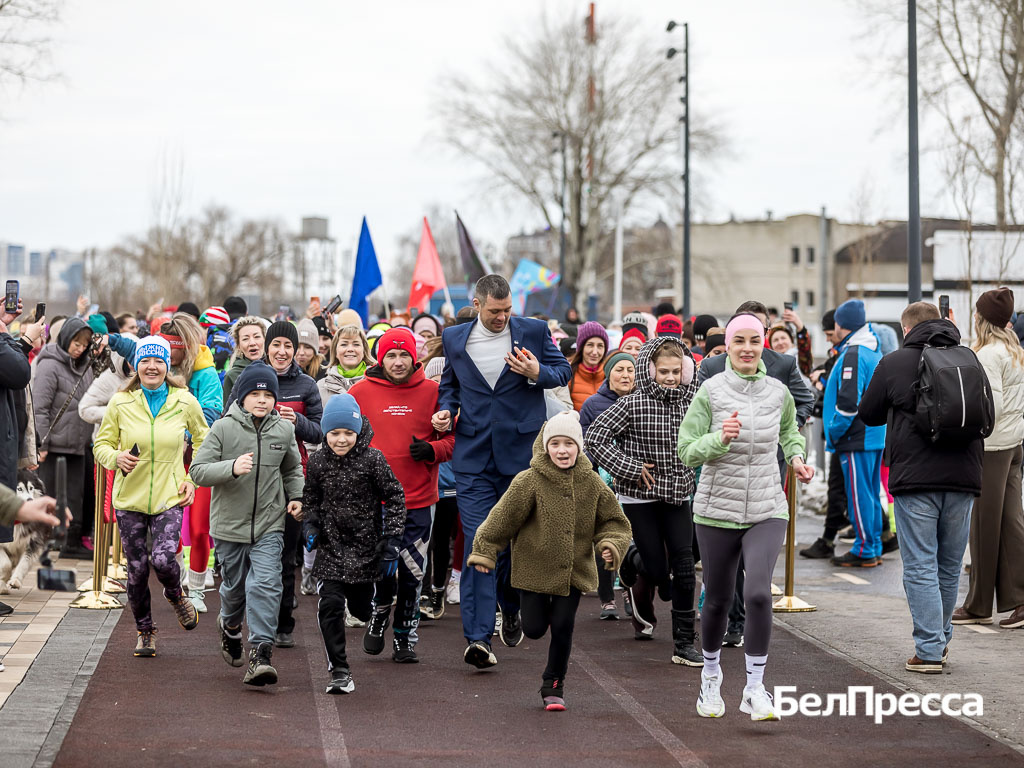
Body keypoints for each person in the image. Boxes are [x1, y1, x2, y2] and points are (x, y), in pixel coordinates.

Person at [678, 313, 814, 720]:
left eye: (755, 341)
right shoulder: (710, 391)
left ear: (763, 344)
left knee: (757, 594)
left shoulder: (778, 392)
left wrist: (797, 458)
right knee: (718, 599)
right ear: (728, 345)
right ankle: (711, 677)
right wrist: (719, 439)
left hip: (766, 507)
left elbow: (790, 432)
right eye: (739, 341)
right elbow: (687, 450)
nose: (747, 349)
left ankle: (755, 687)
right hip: (716, 510)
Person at [432, 274, 572, 669]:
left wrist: (536, 372)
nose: (502, 317)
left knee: (514, 542)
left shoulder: (534, 331)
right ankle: (478, 638)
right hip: (473, 457)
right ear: (477, 305)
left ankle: (510, 605)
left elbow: (563, 372)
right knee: (480, 540)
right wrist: (445, 410)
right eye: (495, 311)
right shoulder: (455, 338)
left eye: (508, 310)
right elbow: (450, 387)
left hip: (520, 457)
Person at [468, 411, 631, 711]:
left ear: (579, 447)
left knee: (563, 624)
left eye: (569, 444)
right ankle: (517, 612)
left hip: (573, 570)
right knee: (534, 629)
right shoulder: (528, 481)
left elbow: (614, 521)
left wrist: (610, 543)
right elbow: (502, 519)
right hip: (533, 569)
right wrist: (486, 549)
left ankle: (553, 684)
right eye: (555, 444)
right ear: (545, 447)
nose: (562, 450)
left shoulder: (592, 482)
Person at [858, 302, 986, 672]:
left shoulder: (895, 361)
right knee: (948, 565)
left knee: (919, 566)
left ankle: (929, 649)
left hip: (916, 478)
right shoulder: (968, 359)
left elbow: (868, 413)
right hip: (964, 477)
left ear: (906, 328)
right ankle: (939, 641)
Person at [586, 336, 702, 664]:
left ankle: (683, 644)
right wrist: (630, 467)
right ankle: (631, 558)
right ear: (650, 371)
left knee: (684, 569)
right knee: (656, 571)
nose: (670, 377)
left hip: (678, 494)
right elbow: (594, 438)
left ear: (686, 371)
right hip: (640, 498)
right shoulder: (632, 403)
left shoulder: (694, 400)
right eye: (663, 371)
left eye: (676, 371)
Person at [190, 363, 305, 686]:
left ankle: (261, 654)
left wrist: (297, 496)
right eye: (254, 394)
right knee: (235, 590)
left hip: (270, 524)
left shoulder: (283, 430)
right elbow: (198, 471)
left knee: (265, 584)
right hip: (230, 526)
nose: (262, 400)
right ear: (241, 397)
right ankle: (229, 627)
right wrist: (231, 468)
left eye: (268, 395)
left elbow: (292, 469)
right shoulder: (223, 429)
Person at [93, 337, 208, 657]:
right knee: (137, 569)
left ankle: (176, 594)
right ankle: (145, 631)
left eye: (159, 361)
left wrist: (191, 479)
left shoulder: (184, 401)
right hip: (129, 498)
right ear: (136, 365)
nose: (152, 367)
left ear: (167, 366)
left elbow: (205, 441)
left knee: (162, 559)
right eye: (146, 361)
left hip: (169, 495)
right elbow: (101, 445)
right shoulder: (121, 402)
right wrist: (115, 457)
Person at [349, 328, 454, 662]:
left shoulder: (434, 392)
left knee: (412, 574)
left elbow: (454, 441)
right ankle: (380, 612)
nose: (398, 362)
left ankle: (405, 636)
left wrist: (432, 450)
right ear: (380, 358)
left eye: (404, 355)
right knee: (382, 569)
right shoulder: (359, 391)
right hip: (374, 503)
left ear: (414, 357)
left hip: (419, 500)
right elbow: (342, 440)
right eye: (391, 355)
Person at [107, 312, 224, 611]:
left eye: (170, 351)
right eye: (163, 349)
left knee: (197, 529)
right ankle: (174, 586)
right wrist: (111, 339)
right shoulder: (142, 382)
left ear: (186, 348)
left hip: (192, 464)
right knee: (163, 543)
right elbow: (134, 348)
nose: (164, 357)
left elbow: (210, 417)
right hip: (155, 469)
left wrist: (184, 435)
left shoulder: (204, 374)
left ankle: (195, 591)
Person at [227, 319, 323, 647]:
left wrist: (298, 422)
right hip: (251, 479)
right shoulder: (248, 377)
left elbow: (320, 432)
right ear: (267, 348)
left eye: (288, 346)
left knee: (286, 557)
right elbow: (228, 421)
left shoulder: (306, 385)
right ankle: (239, 619)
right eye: (276, 345)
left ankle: (283, 624)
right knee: (247, 556)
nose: (282, 352)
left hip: (291, 479)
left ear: (296, 350)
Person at [303, 394, 406, 694]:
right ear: (325, 432)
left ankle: (375, 608)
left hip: (365, 550)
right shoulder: (318, 462)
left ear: (358, 431)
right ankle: (339, 670)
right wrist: (311, 525)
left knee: (361, 610)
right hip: (331, 549)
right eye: (334, 433)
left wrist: (391, 541)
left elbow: (395, 497)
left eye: (348, 432)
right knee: (330, 605)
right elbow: (311, 499)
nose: (341, 439)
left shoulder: (373, 460)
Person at [953, 288, 1024, 629]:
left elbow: (989, 406)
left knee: (983, 526)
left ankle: (979, 605)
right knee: (1011, 522)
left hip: (992, 448)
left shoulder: (988, 355)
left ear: (981, 319)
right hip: (1013, 445)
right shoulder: (1015, 350)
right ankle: (1020, 600)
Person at [823, 299, 886, 567]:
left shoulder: (854, 353)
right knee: (869, 494)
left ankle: (864, 549)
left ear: (842, 324)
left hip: (855, 437)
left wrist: (834, 431)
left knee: (859, 496)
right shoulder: (871, 349)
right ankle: (873, 544)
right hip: (872, 434)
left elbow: (848, 404)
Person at [32, 316, 97, 559]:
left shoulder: (85, 366)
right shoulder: (49, 364)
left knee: (75, 496)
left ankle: (71, 542)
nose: (80, 349)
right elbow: (40, 407)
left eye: (84, 345)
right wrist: (42, 443)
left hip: (78, 444)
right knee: (50, 494)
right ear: (66, 339)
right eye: (76, 343)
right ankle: (44, 542)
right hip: (54, 445)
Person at [579, 350, 636, 619]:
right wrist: (602, 469)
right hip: (602, 484)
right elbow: (585, 445)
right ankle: (606, 599)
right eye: (619, 370)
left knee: (633, 540)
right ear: (608, 374)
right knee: (605, 540)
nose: (625, 375)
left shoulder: (641, 401)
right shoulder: (593, 404)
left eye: (630, 370)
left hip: (636, 483)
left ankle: (629, 591)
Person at [801, 309, 849, 560]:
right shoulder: (840, 353)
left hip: (846, 434)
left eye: (830, 333)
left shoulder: (849, 354)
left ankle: (830, 539)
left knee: (839, 487)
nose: (829, 339)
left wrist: (825, 377)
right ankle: (882, 534)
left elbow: (845, 388)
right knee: (846, 488)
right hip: (842, 433)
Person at [421, 355, 460, 619]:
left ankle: (439, 587)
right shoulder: (424, 409)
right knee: (428, 541)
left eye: (442, 381)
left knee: (445, 541)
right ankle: (426, 593)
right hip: (431, 487)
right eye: (433, 380)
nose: (438, 386)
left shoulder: (457, 410)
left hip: (455, 488)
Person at [317, 324, 375, 406]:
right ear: (335, 352)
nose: (350, 349)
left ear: (364, 351)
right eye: (344, 344)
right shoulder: (321, 386)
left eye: (356, 344)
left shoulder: (376, 383)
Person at [222, 316, 267, 403]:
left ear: (265, 340)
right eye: (245, 339)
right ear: (238, 346)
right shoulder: (232, 376)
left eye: (257, 337)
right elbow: (227, 409)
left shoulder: (276, 370)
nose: (252, 343)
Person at [567, 322, 609, 411]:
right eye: (590, 345)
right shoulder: (568, 375)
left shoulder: (611, 376)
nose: (595, 352)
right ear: (581, 348)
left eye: (600, 346)